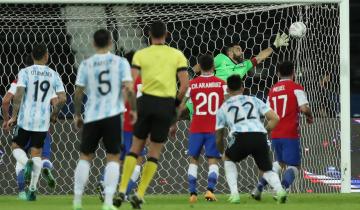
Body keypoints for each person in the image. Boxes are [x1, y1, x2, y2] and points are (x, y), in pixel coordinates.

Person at [115, 20, 189, 209]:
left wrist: (132, 109)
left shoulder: (140, 54)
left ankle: (122, 189)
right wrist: (175, 106)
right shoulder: (177, 55)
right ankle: (139, 194)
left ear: (149, 34)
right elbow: (185, 86)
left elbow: (130, 86)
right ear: (166, 34)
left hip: (145, 102)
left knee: (135, 147)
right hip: (165, 104)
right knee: (154, 152)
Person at [72, 29, 135, 210]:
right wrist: (134, 111)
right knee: (113, 158)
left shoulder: (86, 64)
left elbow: (78, 93)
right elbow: (129, 89)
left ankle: (77, 201)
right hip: (113, 116)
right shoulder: (120, 62)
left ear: (93, 43)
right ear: (110, 43)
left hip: (92, 116)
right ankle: (108, 202)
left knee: (85, 156)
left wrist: (77, 115)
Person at [7, 43, 66, 201]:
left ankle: (26, 163)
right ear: (46, 56)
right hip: (42, 122)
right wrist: (54, 114)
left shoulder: (24, 72)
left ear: (32, 56)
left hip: (25, 119)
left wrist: (14, 116)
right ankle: (32, 190)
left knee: (16, 146)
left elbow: (18, 95)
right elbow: (62, 98)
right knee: (37, 154)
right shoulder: (53, 74)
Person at [215, 74, 287, 204]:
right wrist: (265, 132)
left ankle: (234, 195)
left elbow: (219, 135)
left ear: (227, 90)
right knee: (266, 168)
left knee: (228, 158)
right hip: (259, 136)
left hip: (241, 136)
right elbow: (275, 118)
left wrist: (221, 152)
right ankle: (280, 191)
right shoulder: (254, 99)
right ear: (242, 88)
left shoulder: (223, 108)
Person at [252, 61, 313, 200]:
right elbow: (304, 108)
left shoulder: (272, 90)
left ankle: (259, 187)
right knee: (294, 165)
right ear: (293, 73)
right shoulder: (296, 87)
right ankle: (282, 190)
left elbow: (267, 112)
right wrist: (310, 116)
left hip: (275, 132)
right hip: (290, 132)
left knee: (280, 162)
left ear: (278, 73)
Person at [96, 52, 147, 203]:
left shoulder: (116, 79)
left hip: (115, 123)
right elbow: (141, 103)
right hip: (133, 125)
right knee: (137, 160)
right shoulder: (140, 80)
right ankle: (124, 193)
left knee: (117, 158)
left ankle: (104, 183)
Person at [178, 54, 226, 203]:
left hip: (196, 126)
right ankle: (210, 191)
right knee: (212, 159)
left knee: (194, 159)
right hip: (214, 126)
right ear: (213, 66)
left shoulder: (192, 84)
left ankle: (192, 193)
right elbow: (228, 103)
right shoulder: (222, 84)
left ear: (199, 66)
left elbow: (181, 105)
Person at [2, 79, 56, 200]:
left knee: (19, 153)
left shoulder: (21, 78)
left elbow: (5, 101)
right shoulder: (47, 78)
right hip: (42, 126)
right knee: (41, 156)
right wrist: (53, 116)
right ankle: (41, 174)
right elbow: (57, 101)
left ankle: (21, 193)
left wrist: (7, 119)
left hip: (23, 124)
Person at [214, 33, 289, 81]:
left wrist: (274, 45)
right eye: (238, 49)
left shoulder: (244, 65)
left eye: (241, 50)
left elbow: (259, 57)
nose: (241, 52)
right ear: (229, 51)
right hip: (216, 92)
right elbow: (203, 66)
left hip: (232, 96)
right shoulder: (221, 58)